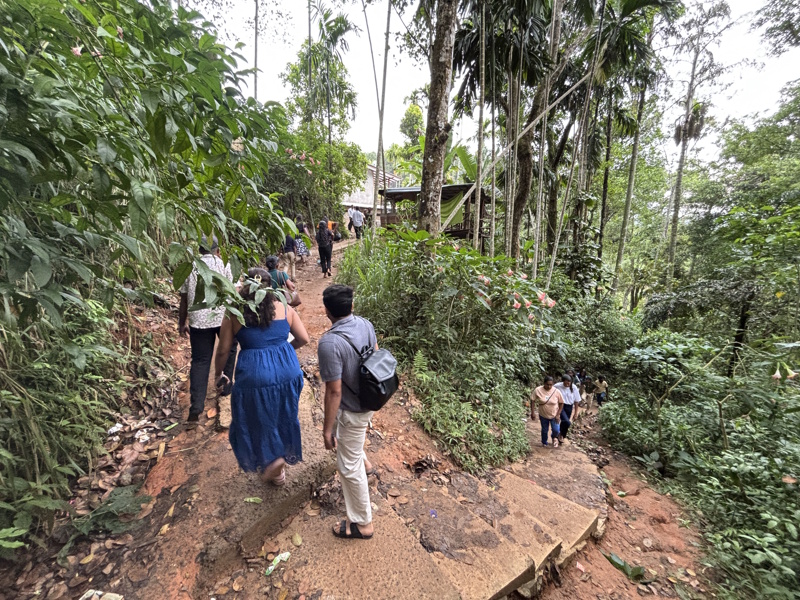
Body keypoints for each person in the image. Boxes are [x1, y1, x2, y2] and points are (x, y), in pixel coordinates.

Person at [213, 268, 310, 485]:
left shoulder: (234, 313)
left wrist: (219, 374)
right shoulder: (284, 307)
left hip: (255, 374)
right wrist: (284, 351)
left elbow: (223, 350)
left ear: (245, 286)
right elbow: (304, 338)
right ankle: (278, 469)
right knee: (284, 414)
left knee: (255, 418)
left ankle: (274, 464)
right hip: (288, 370)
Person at [318, 285, 378, 540]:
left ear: (327, 311)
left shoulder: (330, 343)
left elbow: (334, 392)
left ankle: (363, 523)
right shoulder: (365, 324)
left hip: (353, 410)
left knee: (347, 466)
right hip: (371, 399)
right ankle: (365, 462)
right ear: (351, 306)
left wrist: (326, 429)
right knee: (353, 446)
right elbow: (375, 356)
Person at [178, 235, 238, 428]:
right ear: (217, 250)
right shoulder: (225, 265)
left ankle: (196, 407)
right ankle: (225, 386)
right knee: (229, 348)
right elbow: (233, 293)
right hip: (223, 319)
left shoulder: (190, 267)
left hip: (198, 322)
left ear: (199, 250)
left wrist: (182, 322)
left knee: (200, 361)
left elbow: (184, 299)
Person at [532, 376, 564, 448]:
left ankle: (554, 437)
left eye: (551, 385)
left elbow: (561, 403)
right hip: (543, 414)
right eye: (547, 384)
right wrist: (532, 412)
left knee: (556, 430)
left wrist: (558, 414)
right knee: (544, 430)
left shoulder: (556, 391)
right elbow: (533, 400)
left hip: (554, 414)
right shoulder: (538, 390)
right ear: (544, 383)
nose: (549, 386)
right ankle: (544, 442)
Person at [554, 374, 581, 441]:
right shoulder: (557, 386)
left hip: (569, 406)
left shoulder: (574, 387)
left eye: (569, 382)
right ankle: (561, 434)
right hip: (561, 405)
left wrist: (575, 413)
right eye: (566, 382)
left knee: (564, 422)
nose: (567, 384)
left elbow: (576, 400)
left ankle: (561, 434)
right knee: (567, 422)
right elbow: (551, 391)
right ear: (563, 381)